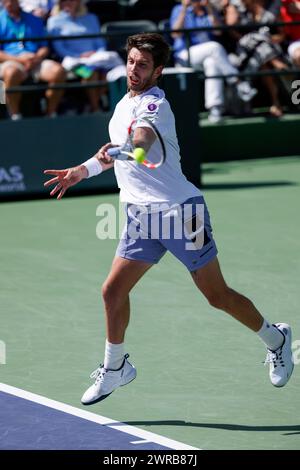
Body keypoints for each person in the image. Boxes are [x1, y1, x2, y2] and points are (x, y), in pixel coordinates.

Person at [44, 33, 294, 406]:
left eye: (142, 64)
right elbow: (116, 153)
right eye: (130, 61)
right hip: (139, 215)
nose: (133, 69)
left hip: (182, 213)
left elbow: (140, 144)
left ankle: (277, 339)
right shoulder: (123, 104)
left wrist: (126, 152)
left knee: (216, 295)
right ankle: (116, 368)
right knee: (112, 291)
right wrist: (82, 170)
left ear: (158, 70)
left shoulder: (154, 104)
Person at [169, 0, 257, 122]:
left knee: (212, 63)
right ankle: (238, 82)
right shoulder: (179, 9)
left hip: (210, 55)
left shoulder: (208, 9)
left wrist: (209, 8)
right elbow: (175, 34)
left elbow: (217, 31)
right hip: (186, 55)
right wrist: (184, 9)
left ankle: (215, 109)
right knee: (214, 47)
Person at [47, 0, 123, 113]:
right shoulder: (53, 21)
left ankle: (92, 106)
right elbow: (59, 49)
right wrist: (79, 55)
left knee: (106, 75)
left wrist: (96, 53)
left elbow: (100, 43)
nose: (68, 3)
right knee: (90, 74)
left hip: (97, 59)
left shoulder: (91, 18)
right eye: (63, 1)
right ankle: (95, 107)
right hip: (73, 61)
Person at [0, 0, 65, 119]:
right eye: (5, 1)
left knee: (58, 72)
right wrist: (19, 59)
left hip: (34, 60)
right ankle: (15, 115)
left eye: (11, 0)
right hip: (10, 60)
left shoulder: (34, 19)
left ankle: (50, 113)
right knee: (11, 73)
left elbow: (44, 47)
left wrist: (36, 57)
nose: (9, 3)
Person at [225, 0, 288, 117]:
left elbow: (281, 34)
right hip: (243, 50)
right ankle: (277, 99)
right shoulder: (236, 5)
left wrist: (267, 40)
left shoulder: (273, 5)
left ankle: (276, 102)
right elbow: (230, 28)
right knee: (261, 50)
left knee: (263, 60)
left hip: (269, 49)